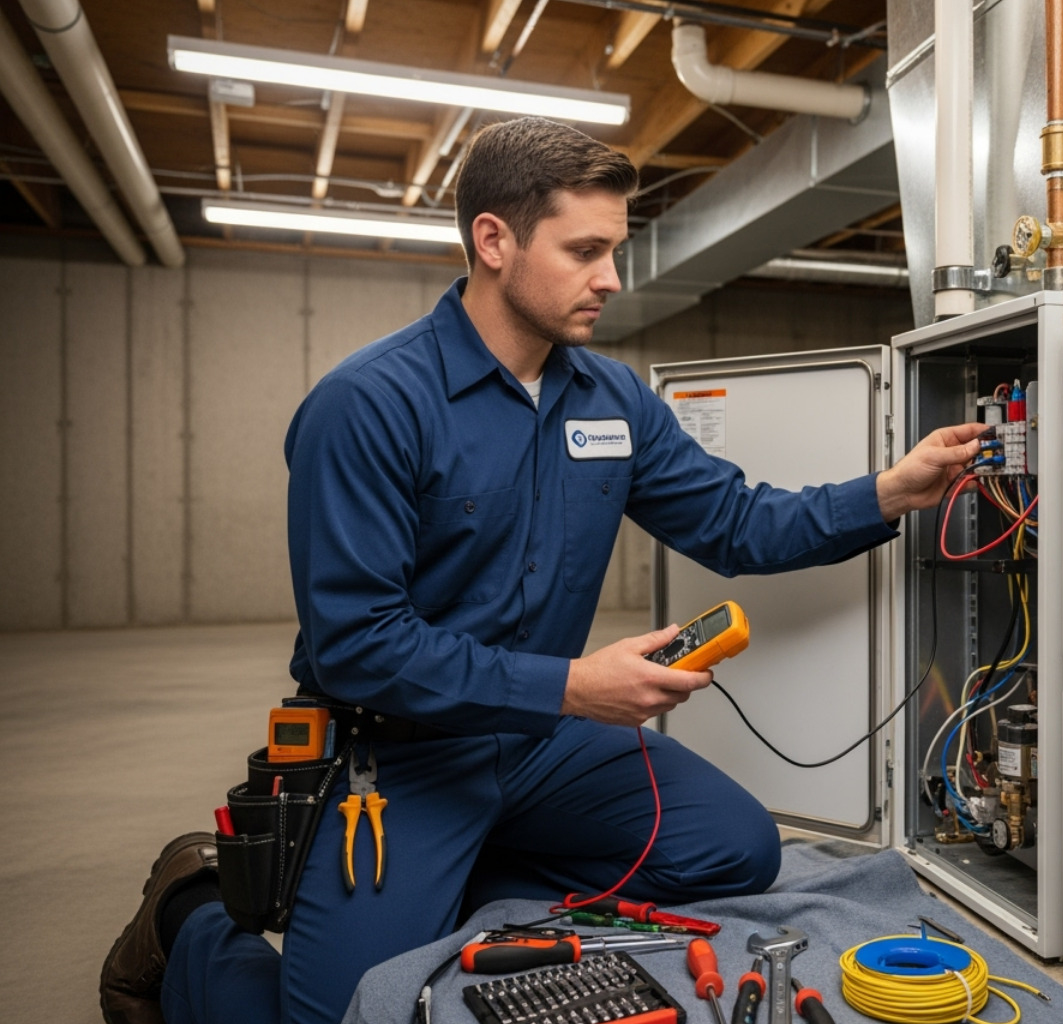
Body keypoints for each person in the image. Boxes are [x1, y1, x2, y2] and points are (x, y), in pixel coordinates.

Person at [100, 116, 988, 1024]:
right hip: (400, 758)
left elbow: (732, 522)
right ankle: (188, 918)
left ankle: (450, 885)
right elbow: (359, 645)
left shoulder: (613, 398)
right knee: (344, 1013)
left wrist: (889, 491)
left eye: (615, 250)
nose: (611, 278)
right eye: (585, 250)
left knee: (735, 848)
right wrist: (571, 685)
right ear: (494, 240)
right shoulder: (367, 405)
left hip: (542, 748)